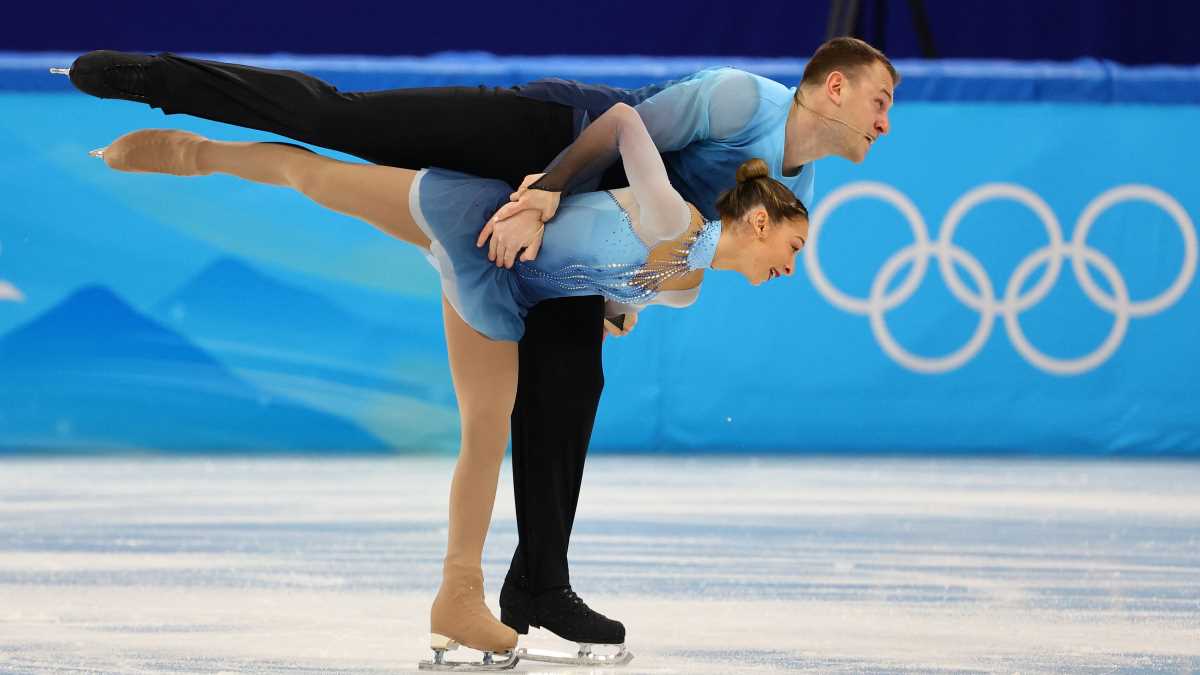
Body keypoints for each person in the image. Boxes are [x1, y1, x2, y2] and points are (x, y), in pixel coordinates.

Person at [63, 35, 896, 667]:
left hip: (568, 235)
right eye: (880, 101)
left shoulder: (789, 194)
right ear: (835, 86)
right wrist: (539, 196)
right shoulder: (738, 98)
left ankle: (537, 583)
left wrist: (613, 289)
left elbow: (669, 248)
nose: (885, 121)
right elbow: (623, 129)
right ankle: (161, 83)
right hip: (546, 142)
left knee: (568, 391)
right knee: (343, 122)